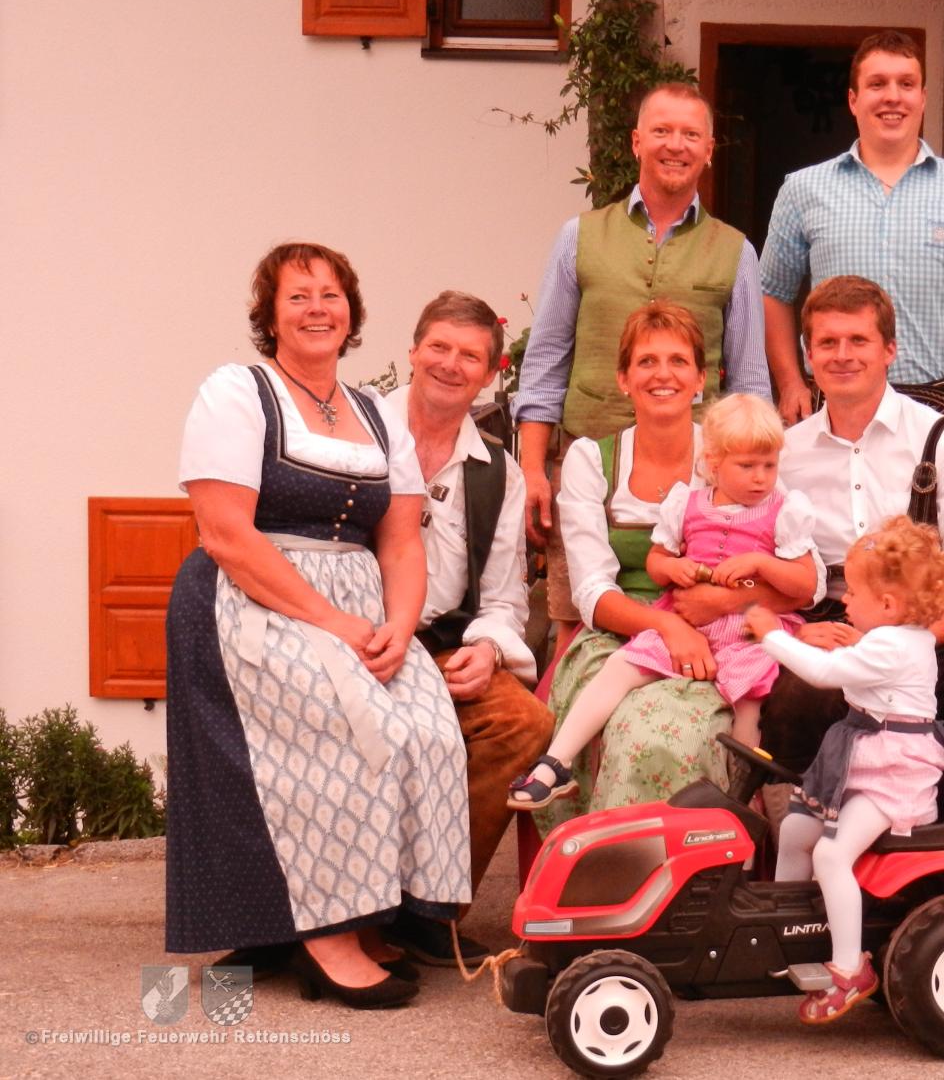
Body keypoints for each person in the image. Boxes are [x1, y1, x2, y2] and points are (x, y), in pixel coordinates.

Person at [166, 242, 470, 1008]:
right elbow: (225, 534)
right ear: (270, 315)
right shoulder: (238, 393)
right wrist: (333, 621)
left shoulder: (377, 413)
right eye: (297, 296)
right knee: (351, 724)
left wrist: (400, 625)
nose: (316, 309)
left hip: (362, 608)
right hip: (255, 600)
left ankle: (372, 913)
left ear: (351, 312)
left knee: (428, 727)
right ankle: (325, 935)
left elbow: (401, 540)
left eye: (331, 295)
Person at [760, 275, 944, 884]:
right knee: (791, 707)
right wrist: (800, 633)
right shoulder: (785, 455)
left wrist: (889, 647)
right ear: (808, 355)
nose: (842, 355)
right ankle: (797, 896)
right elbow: (766, 570)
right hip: (830, 627)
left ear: (890, 349)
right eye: (827, 342)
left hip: (929, 630)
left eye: (858, 340)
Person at [513, 81, 773, 626]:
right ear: (637, 142)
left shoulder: (736, 252)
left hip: (704, 481)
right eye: (661, 131)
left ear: (708, 150)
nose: (675, 145)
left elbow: (750, 385)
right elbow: (544, 364)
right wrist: (533, 469)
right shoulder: (578, 237)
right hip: (586, 469)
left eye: (690, 134)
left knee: (703, 622)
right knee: (577, 622)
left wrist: (753, 485)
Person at [532, 301, 797, 834]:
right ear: (623, 378)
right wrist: (668, 625)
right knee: (633, 727)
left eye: (678, 361)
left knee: (691, 735)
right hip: (621, 632)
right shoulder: (592, 459)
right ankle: (615, 862)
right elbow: (591, 591)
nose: (663, 374)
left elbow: (795, 578)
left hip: (729, 633)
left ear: (701, 379)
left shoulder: (737, 453)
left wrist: (722, 604)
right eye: (647, 361)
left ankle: (715, 855)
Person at [510, 394, 818, 808]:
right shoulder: (687, 503)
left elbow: (805, 582)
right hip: (686, 620)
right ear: (713, 462)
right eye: (747, 466)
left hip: (748, 629)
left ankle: (744, 795)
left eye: (769, 465)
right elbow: (657, 562)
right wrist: (674, 568)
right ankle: (555, 763)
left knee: (750, 698)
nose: (761, 478)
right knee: (622, 665)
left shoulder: (782, 509)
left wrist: (762, 563)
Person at [373, 290, 554, 966]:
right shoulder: (359, 431)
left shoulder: (498, 471)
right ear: (413, 350)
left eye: (470, 356)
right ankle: (350, 910)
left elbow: (505, 597)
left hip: (442, 644)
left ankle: (431, 910)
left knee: (524, 724)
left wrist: (487, 648)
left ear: (490, 373)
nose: (451, 364)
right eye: (439, 347)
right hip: (356, 636)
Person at [760, 30, 944, 446]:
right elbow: (772, 293)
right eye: (877, 84)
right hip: (836, 407)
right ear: (853, 100)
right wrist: (790, 382)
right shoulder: (803, 190)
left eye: (906, 84)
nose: (893, 97)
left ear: (922, 98)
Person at [747, 515, 944, 1024]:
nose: (845, 600)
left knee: (830, 853)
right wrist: (850, 646)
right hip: (866, 760)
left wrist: (772, 635)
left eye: (854, 593)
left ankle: (848, 969)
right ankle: (788, 933)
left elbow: (823, 674)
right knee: (795, 829)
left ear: (887, 605)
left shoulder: (892, 646)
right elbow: (862, 670)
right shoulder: (893, 638)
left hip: (893, 776)